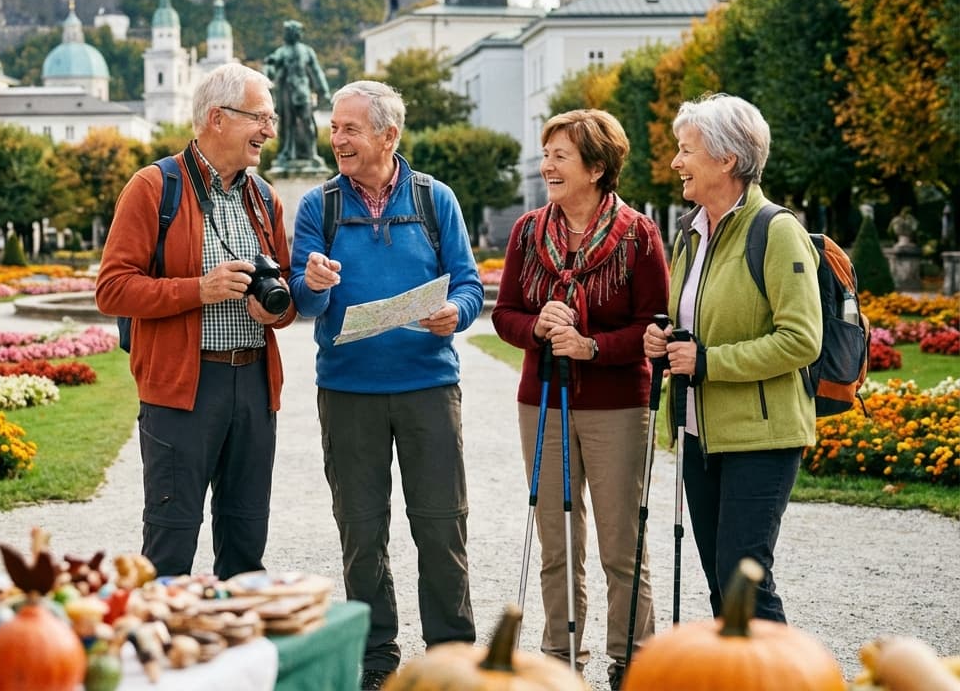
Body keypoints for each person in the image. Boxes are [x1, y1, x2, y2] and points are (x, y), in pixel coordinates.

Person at [289, 80, 482, 691]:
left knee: (440, 525)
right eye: (334, 128)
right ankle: (379, 661)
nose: (336, 139)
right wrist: (314, 282)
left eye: (349, 128)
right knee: (361, 532)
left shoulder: (435, 199)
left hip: (428, 387)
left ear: (387, 135)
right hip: (347, 393)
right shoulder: (319, 206)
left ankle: (454, 655)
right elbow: (299, 299)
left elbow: (470, 284)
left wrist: (457, 311)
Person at [96, 63, 296, 579]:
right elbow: (112, 289)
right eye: (260, 118)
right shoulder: (152, 187)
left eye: (270, 119)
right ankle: (162, 656)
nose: (270, 131)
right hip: (181, 390)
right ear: (217, 118)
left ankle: (242, 657)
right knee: (170, 543)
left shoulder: (264, 198)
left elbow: (286, 298)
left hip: (254, 386)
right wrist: (199, 290)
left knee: (247, 540)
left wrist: (275, 307)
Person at [491, 109, 668, 690]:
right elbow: (505, 315)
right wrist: (538, 326)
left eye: (559, 156)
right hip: (540, 399)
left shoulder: (638, 235)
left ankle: (631, 659)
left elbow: (652, 326)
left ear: (596, 167)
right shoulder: (527, 232)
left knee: (623, 541)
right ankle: (558, 657)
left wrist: (592, 346)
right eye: (546, 155)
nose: (547, 166)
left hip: (617, 404)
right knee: (556, 538)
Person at [643, 93, 821, 624]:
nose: (676, 162)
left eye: (686, 150)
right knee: (724, 589)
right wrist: (665, 341)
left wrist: (708, 362)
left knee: (744, 581)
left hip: (761, 438)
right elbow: (692, 325)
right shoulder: (691, 235)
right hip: (700, 434)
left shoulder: (776, 230)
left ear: (726, 159)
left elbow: (801, 339)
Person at [264, 19, 331, 169]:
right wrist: (269, 67)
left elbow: (317, 71)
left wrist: (324, 91)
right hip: (286, 92)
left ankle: (312, 153)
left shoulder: (307, 51)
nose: (287, 35)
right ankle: (287, 153)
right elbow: (271, 66)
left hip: (302, 91)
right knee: (287, 124)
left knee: (308, 122)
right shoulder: (282, 51)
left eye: (290, 32)